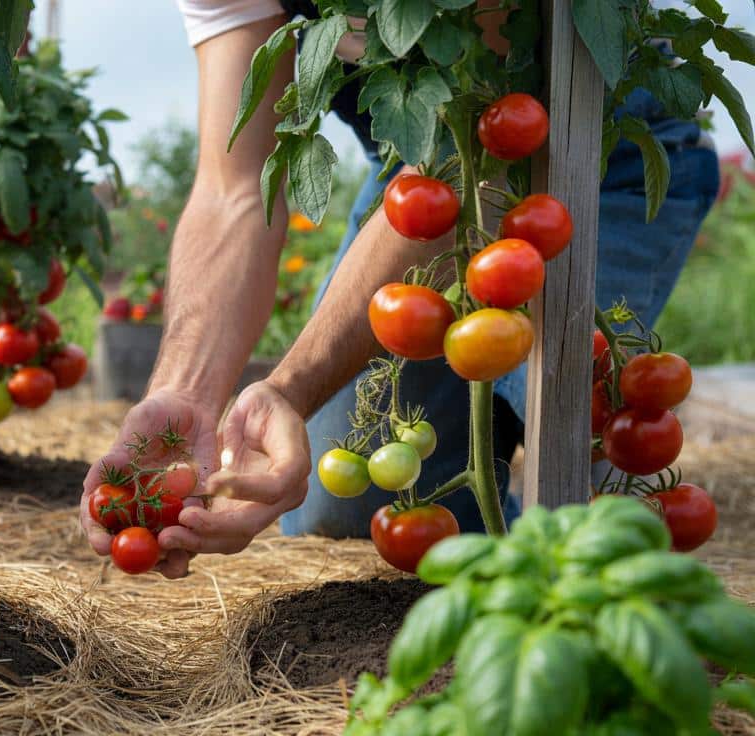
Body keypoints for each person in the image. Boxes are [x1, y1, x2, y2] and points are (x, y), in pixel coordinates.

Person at [78, 0, 720, 578]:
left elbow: (492, 133)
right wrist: (181, 394)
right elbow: (234, 192)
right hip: (422, 188)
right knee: (350, 499)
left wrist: (291, 386)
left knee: (575, 430)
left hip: (597, 162)